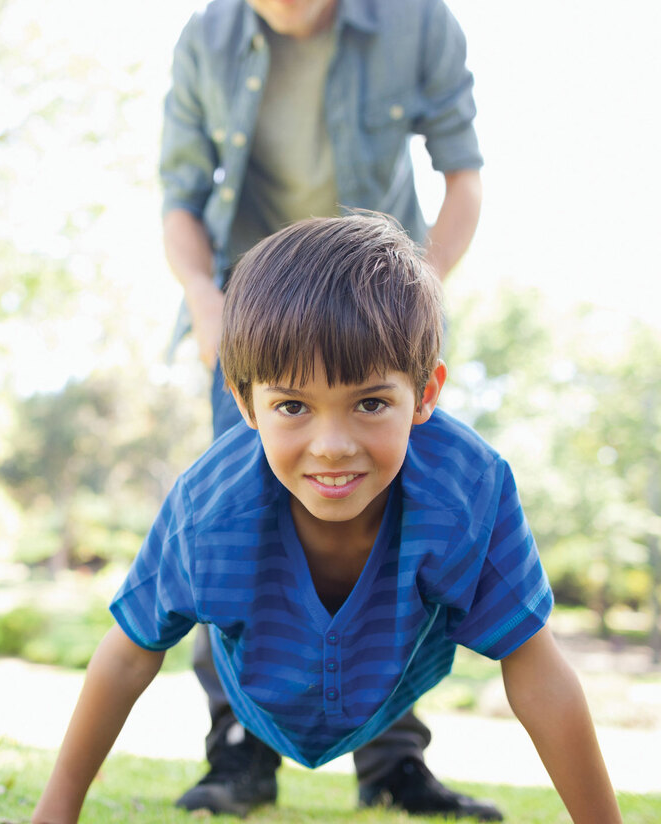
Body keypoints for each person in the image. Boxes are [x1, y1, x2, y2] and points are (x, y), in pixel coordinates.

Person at [32, 214, 622, 824]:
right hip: (258, 684)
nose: (332, 445)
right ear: (245, 404)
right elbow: (128, 654)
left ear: (424, 394)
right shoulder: (208, 510)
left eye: (370, 403)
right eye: (292, 405)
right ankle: (241, 756)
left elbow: (535, 666)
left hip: (393, 674)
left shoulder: (468, 489)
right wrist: (55, 813)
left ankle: (395, 768)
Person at [160, 0, 489, 817]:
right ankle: (238, 751)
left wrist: (419, 294)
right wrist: (207, 301)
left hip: (374, 321)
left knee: (393, 523)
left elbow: (464, 180)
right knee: (238, 529)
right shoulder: (206, 40)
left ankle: (393, 760)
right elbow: (180, 196)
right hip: (260, 328)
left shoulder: (419, 22)